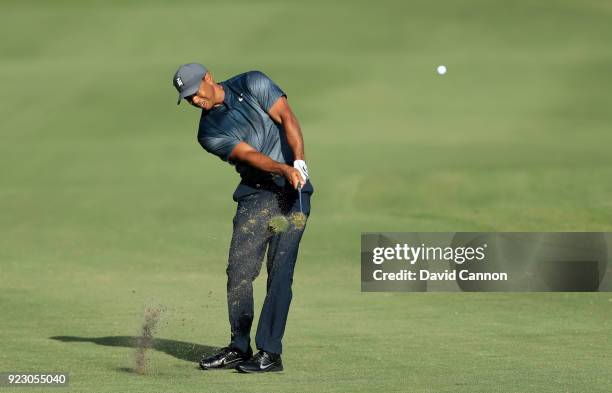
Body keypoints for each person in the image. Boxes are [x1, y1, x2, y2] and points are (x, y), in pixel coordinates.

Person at [172, 63, 313, 373]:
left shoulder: (253, 83)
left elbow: (286, 116)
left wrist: (298, 162)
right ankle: (239, 345)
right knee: (239, 271)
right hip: (255, 196)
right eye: (189, 98)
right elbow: (249, 156)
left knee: (279, 272)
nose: (196, 101)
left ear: (208, 78)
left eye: (196, 93)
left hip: (294, 196)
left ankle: (270, 352)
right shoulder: (208, 132)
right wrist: (282, 168)